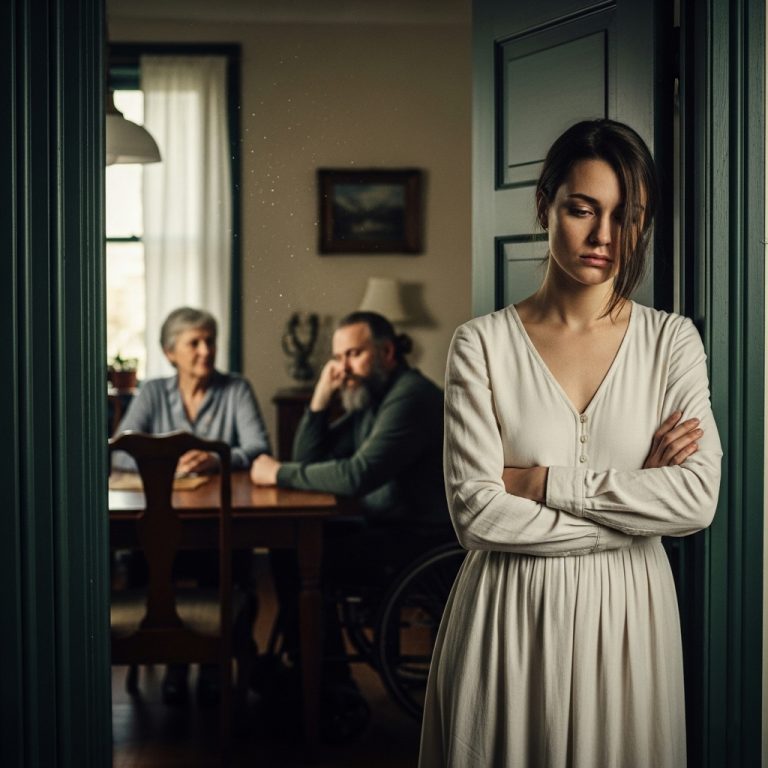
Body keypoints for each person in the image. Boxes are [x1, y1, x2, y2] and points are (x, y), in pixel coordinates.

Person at [419, 120, 722, 767]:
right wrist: (637, 512)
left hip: (631, 623)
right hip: (509, 620)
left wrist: (543, 482)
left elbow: (695, 501)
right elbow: (477, 515)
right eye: (583, 209)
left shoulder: (673, 344)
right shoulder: (482, 345)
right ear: (546, 205)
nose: (605, 236)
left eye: (627, 215)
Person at [249, 310, 448, 736]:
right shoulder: (372, 397)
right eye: (337, 357)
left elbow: (356, 476)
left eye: (354, 354)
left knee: (301, 556)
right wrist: (320, 398)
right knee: (291, 548)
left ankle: (325, 686)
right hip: (389, 529)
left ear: (387, 352)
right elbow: (311, 461)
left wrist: (277, 473)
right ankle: (317, 679)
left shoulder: (410, 398)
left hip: (421, 541)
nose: (342, 368)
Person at [112, 306, 271, 706]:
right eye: (194, 343)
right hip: (163, 521)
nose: (205, 350)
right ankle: (176, 660)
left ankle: (213, 662)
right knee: (157, 556)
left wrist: (214, 458)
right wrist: (164, 458)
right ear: (170, 353)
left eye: (210, 341)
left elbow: (257, 449)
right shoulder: (151, 392)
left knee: (222, 560)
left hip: (218, 523)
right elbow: (120, 452)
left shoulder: (236, 388)